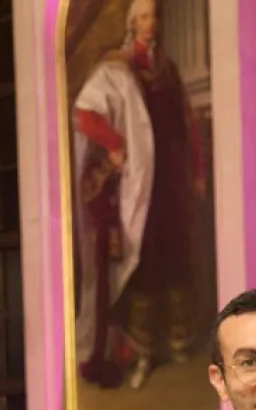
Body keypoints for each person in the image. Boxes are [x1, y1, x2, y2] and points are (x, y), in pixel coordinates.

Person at [72, 0, 205, 390]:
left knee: (174, 258)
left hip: (171, 184)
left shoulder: (168, 69)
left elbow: (187, 123)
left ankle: (176, 341)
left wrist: (196, 171)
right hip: (139, 184)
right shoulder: (117, 68)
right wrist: (114, 144)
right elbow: (85, 114)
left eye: (155, 17)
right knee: (143, 263)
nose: (152, 24)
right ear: (133, 24)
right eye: (145, 17)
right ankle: (143, 351)